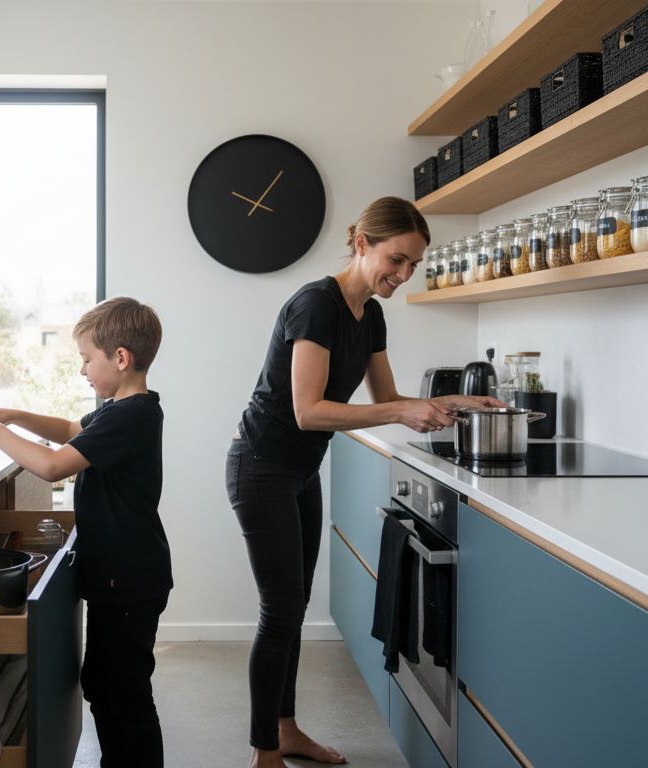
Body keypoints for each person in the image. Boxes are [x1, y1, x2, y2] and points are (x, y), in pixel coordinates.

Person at [225, 197, 504, 768]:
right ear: (361, 244)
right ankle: (264, 753)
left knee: (293, 606)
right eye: (396, 261)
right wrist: (403, 415)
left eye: (412, 267)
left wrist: (450, 401)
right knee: (279, 611)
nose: (402, 276)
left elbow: (387, 399)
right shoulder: (314, 305)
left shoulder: (370, 315)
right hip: (260, 466)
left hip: (298, 470)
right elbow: (309, 411)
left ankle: (286, 731)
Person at [0, 296, 173, 768]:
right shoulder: (120, 410)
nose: (82, 370)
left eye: (88, 360)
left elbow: (51, 466)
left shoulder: (131, 416)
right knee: (105, 685)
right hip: (122, 577)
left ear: (121, 358)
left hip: (129, 581)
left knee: (125, 693)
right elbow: (71, 428)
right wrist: (14, 415)